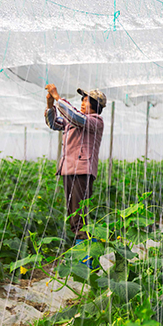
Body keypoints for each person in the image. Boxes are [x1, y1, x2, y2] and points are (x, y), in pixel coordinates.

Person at [44, 84, 106, 264]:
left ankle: (86, 259)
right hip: (68, 169)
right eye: (82, 100)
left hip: (82, 170)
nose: (83, 103)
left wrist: (58, 97)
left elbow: (74, 116)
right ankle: (84, 254)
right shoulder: (75, 119)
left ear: (96, 106)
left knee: (79, 215)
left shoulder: (95, 121)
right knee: (73, 214)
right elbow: (54, 124)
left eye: (86, 101)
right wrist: (50, 107)